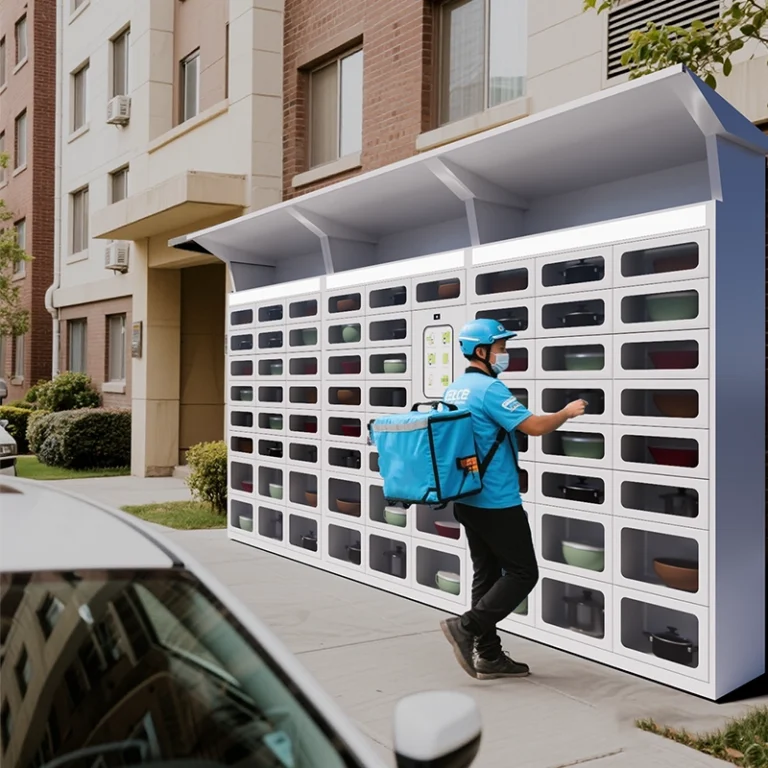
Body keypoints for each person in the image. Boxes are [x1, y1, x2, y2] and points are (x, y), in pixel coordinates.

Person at [440, 317, 586, 680]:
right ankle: (467, 628)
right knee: (523, 572)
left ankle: (488, 655)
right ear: (481, 351)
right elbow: (534, 427)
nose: (506, 354)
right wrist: (567, 412)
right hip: (495, 498)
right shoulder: (490, 389)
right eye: (501, 348)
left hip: (467, 497)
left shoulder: (456, 388)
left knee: (486, 575)